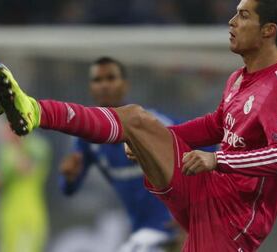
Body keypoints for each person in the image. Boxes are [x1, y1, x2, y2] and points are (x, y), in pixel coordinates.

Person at [0, 0, 277, 251]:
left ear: (269, 30)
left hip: (232, 221)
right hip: (205, 188)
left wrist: (217, 159)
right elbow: (217, 124)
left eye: (243, 16)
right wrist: (160, 139)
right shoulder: (238, 79)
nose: (231, 22)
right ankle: (35, 110)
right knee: (135, 119)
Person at [58, 57, 208, 252]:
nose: (104, 85)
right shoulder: (88, 139)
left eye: (111, 78)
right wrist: (69, 177)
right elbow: (68, 189)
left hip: (171, 232)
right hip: (140, 231)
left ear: (125, 85)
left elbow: (207, 151)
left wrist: (194, 216)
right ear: (91, 88)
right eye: (98, 80)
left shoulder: (150, 123)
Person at [0, 125, 51, 252]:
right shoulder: (6, 151)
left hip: (27, 221)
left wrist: (15, 144)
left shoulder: (37, 146)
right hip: (8, 221)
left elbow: (26, 167)